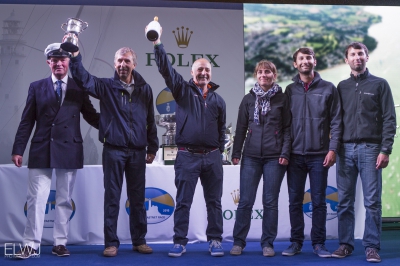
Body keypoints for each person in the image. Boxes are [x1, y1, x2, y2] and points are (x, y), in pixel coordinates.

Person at [69, 41, 159, 257]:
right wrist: (75, 56)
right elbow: (84, 79)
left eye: (127, 60)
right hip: (113, 150)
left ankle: (139, 241)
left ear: (134, 64)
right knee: (112, 198)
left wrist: (153, 146)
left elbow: (150, 120)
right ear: (114, 63)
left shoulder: (145, 89)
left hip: (138, 151)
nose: (122, 64)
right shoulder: (106, 86)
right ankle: (111, 243)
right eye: (119, 60)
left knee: (137, 199)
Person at [11, 43, 99, 259]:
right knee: (36, 200)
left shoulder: (79, 87)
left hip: (69, 147)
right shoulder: (36, 87)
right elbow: (26, 121)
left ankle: (60, 243)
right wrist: (18, 148)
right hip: (42, 147)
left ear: (69, 62)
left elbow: (90, 115)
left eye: (63, 59)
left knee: (64, 200)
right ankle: (31, 244)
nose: (59, 63)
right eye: (54, 59)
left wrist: (113, 128)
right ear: (48, 62)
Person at [149, 25, 226, 257]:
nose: (203, 73)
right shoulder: (182, 90)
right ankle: (180, 241)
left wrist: (219, 150)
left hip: (212, 157)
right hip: (187, 156)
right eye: (199, 70)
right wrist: (158, 44)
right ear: (192, 74)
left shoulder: (218, 100)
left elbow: (222, 128)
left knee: (214, 203)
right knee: (183, 202)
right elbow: (166, 70)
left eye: (206, 70)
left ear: (210, 73)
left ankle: (215, 240)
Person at [332, 42, 396, 263]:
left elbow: (389, 119)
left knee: (372, 202)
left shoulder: (380, 84)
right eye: (352, 54)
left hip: (371, 150)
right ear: (346, 59)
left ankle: (371, 247)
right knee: (344, 201)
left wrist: (385, 149)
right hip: (344, 150)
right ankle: (346, 244)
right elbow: (335, 121)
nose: (357, 57)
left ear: (367, 58)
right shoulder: (341, 87)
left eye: (361, 54)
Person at [283, 47, 342, 258]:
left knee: (318, 201)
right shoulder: (289, 91)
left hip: (319, 155)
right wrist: (286, 152)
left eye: (309, 57)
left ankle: (319, 244)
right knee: (294, 201)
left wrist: (333, 148)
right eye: (301, 58)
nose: (305, 61)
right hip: (295, 156)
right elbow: (285, 125)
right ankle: (296, 242)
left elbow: (336, 121)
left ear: (314, 62)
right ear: (295, 64)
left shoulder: (329, 88)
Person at [229, 60, 291, 257]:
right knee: (245, 201)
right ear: (256, 75)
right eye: (260, 72)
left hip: (275, 158)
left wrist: (285, 152)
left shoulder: (283, 99)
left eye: (268, 72)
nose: (264, 75)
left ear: (274, 75)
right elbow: (240, 129)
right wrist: (236, 152)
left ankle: (268, 243)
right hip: (251, 157)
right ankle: (239, 242)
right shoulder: (248, 99)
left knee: (270, 202)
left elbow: (288, 129)